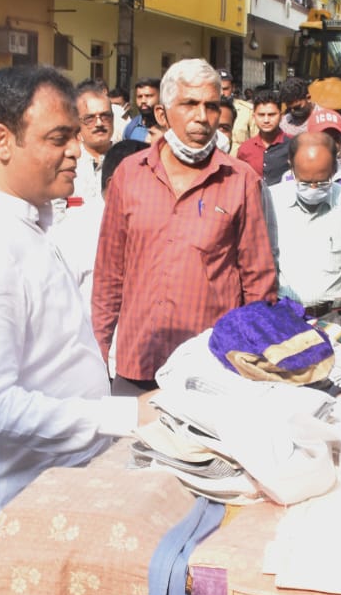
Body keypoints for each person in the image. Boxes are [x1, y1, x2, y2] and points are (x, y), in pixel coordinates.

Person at [0, 66, 158, 595]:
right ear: (2, 141)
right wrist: (123, 416)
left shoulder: (27, 222)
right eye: (58, 138)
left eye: (76, 134)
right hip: (2, 513)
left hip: (45, 493)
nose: (76, 150)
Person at [93, 58, 278, 391]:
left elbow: (258, 280)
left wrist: (255, 361)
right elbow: (109, 274)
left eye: (210, 106)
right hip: (139, 361)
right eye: (190, 105)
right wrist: (97, 351)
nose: (202, 117)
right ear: (162, 114)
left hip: (211, 369)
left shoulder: (240, 180)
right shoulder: (130, 174)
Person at [265, 133, 341, 332]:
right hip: (287, 319)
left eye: (321, 182)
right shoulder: (270, 202)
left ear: (333, 170)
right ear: (291, 166)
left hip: (339, 319)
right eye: (304, 182)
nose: (313, 189)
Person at [50, 138, 147, 308]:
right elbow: (56, 303)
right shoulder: (75, 230)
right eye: (149, 182)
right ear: (116, 185)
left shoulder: (156, 226)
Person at [278, 74, 341, 168]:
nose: (293, 112)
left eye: (297, 108)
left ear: (308, 98)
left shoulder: (330, 120)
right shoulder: (284, 123)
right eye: (289, 108)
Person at [71, 87, 114, 208]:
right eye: (90, 119)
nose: (99, 123)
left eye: (105, 116)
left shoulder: (127, 159)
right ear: (77, 122)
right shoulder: (68, 163)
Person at [235, 89, 285, 178]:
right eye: (261, 115)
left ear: (281, 116)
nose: (266, 120)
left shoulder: (293, 146)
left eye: (272, 115)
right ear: (254, 117)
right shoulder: (245, 149)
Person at [120, 77, 162, 142]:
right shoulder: (130, 129)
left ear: (160, 97)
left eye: (148, 96)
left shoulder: (172, 127)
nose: (143, 101)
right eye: (139, 97)